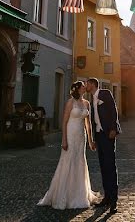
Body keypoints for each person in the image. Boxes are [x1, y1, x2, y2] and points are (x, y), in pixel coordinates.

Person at [38, 81, 101, 210]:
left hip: (80, 136)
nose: (85, 87)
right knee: (68, 161)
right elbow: (64, 121)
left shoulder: (86, 103)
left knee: (80, 161)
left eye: (85, 86)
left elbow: (88, 124)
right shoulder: (70, 102)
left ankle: (80, 193)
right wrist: (64, 140)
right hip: (71, 134)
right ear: (77, 89)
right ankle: (63, 195)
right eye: (83, 86)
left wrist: (90, 140)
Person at [86, 77, 121, 214]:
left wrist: (113, 128)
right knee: (103, 166)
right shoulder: (91, 101)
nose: (86, 86)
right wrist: (93, 140)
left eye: (87, 84)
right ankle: (106, 197)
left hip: (108, 134)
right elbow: (94, 122)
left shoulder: (105, 93)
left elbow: (113, 110)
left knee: (110, 166)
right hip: (99, 136)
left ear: (93, 84)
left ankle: (113, 201)